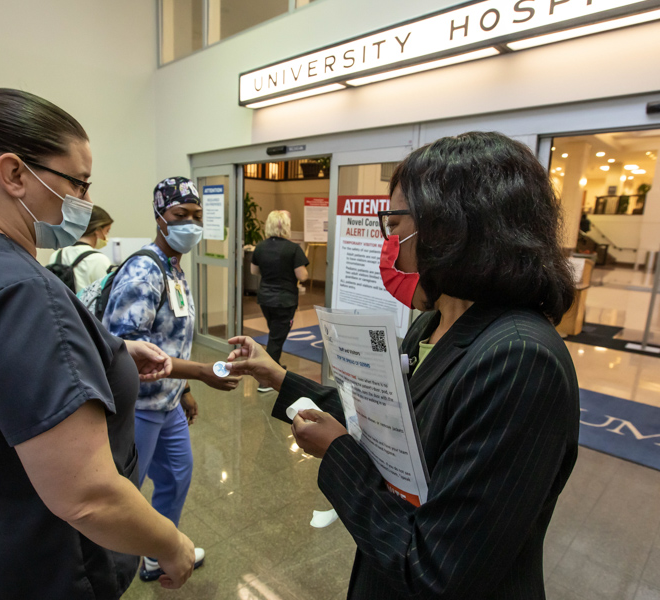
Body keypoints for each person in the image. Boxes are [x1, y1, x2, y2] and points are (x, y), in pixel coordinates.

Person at [226, 132, 580, 599]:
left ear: (453, 228)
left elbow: (436, 568)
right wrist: (279, 377)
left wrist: (338, 455)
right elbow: (391, 424)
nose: (390, 240)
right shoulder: (432, 323)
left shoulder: (520, 360)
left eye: (396, 223)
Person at [0, 88, 196, 600]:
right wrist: (171, 544)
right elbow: (89, 494)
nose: (86, 203)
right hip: (32, 569)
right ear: (13, 173)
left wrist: (108, 351)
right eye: (79, 183)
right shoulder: (19, 291)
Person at [103, 176, 241, 582]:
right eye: (181, 215)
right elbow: (126, 348)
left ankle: (156, 552)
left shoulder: (174, 269)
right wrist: (200, 371)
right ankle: (107, 571)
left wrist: (185, 390)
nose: (190, 224)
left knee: (177, 475)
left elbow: (172, 338)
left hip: (168, 403)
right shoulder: (144, 270)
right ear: (160, 217)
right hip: (139, 405)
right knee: (126, 493)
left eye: (197, 216)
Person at [250, 210, 309, 391]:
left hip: (265, 299)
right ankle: (266, 380)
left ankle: (275, 366)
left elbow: (254, 271)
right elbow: (303, 275)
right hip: (285, 300)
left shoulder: (260, 247)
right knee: (276, 339)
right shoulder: (293, 249)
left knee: (275, 334)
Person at [48, 205, 115, 291]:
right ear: (97, 230)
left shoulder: (56, 255)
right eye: (107, 231)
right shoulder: (99, 259)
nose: (107, 236)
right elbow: (106, 295)